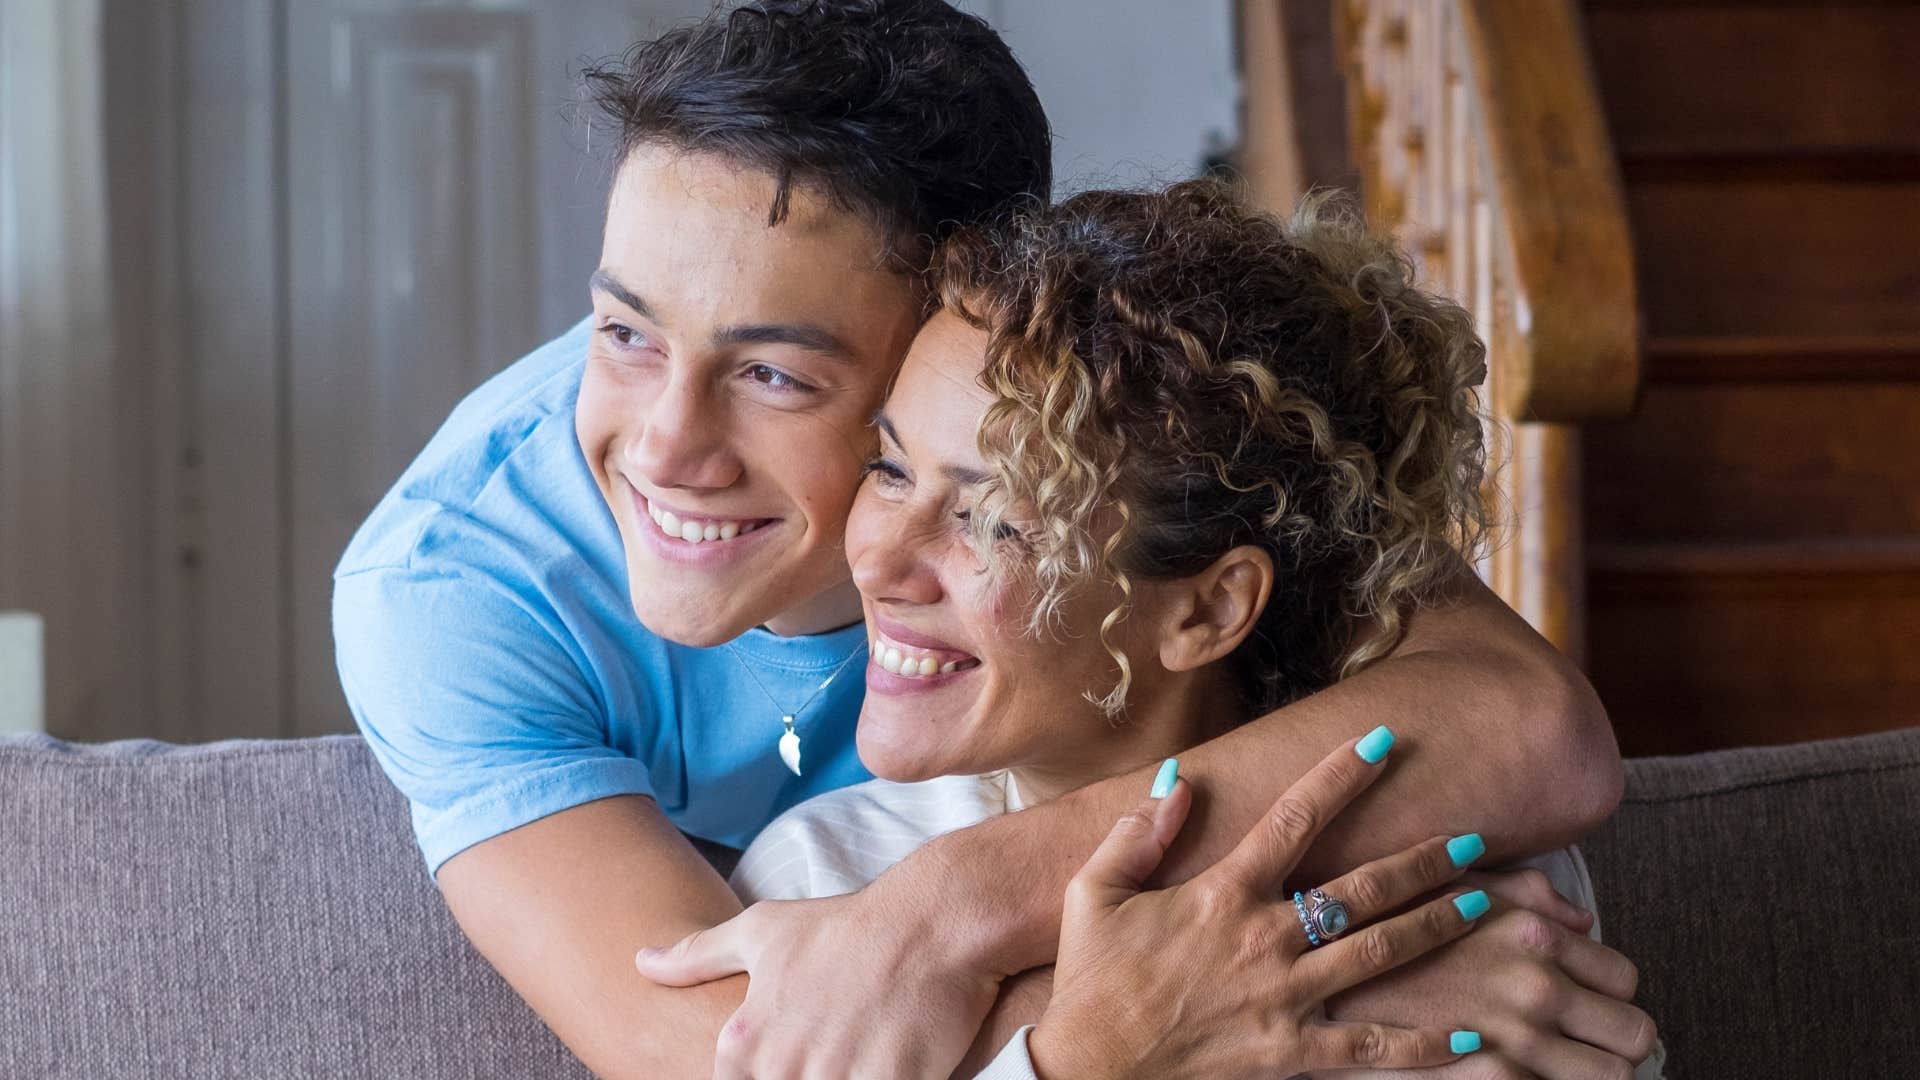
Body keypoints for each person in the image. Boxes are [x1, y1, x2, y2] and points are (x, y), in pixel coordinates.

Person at [333, 3, 1625, 1076]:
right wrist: (1233, 1002)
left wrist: (950, 912)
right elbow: (740, 1055)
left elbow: (1528, 724)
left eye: (778, 375)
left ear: (978, 329)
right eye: (624, 330)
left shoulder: (1128, 448)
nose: (666, 446)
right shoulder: (454, 590)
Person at [654, 183, 1661, 1078]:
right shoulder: (825, 884)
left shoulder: (1453, 873)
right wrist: (1099, 1045)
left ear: (1207, 608)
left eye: (994, 520)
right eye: (891, 468)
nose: (875, 561)